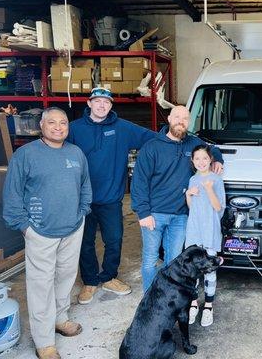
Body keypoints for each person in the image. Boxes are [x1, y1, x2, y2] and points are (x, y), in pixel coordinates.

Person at [3, 107, 92, 359]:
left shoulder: (76, 153)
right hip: (40, 230)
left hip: (73, 227)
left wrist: (83, 210)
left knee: (65, 276)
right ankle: (44, 340)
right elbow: (12, 194)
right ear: (41, 126)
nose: (58, 127)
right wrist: (24, 226)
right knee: (41, 285)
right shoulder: (26, 155)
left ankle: (60, 318)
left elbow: (85, 184)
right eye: (51, 122)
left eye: (63, 123)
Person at [67, 87, 156, 305]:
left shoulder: (122, 128)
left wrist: (210, 151)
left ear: (111, 106)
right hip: (82, 200)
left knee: (114, 240)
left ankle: (108, 277)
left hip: (110, 199)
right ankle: (89, 281)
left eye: (106, 102)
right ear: (89, 104)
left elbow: (156, 138)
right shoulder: (74, 129)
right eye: (97, 101)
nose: (101, 106)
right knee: (85, 242)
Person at [131, 105, 224, 292]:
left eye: (185, 118)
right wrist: (143, 213)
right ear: (169, 118)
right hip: (154, 215)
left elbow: (212, 150)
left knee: (173, 260)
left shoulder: (192, 143)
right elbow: (139, 182)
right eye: (177, 117)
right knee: (150, 260)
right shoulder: (152, 147)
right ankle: (150, 297)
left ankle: (168, 296)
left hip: (181, 216)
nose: (181, 121)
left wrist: (219, 160)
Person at [185, 145, 226, 327]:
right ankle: (193, 302)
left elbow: (219, 208)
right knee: (193, 269)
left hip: (210, 230)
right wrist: (188, 193)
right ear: (192, 161)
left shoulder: (216, 180)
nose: (201, 162)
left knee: (209, 269)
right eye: (197, 159)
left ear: (210, 159)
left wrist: (209, 189)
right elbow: (191, 206)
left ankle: (208, 306)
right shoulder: (192, 179)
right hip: (194, 230)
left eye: (204, 158)